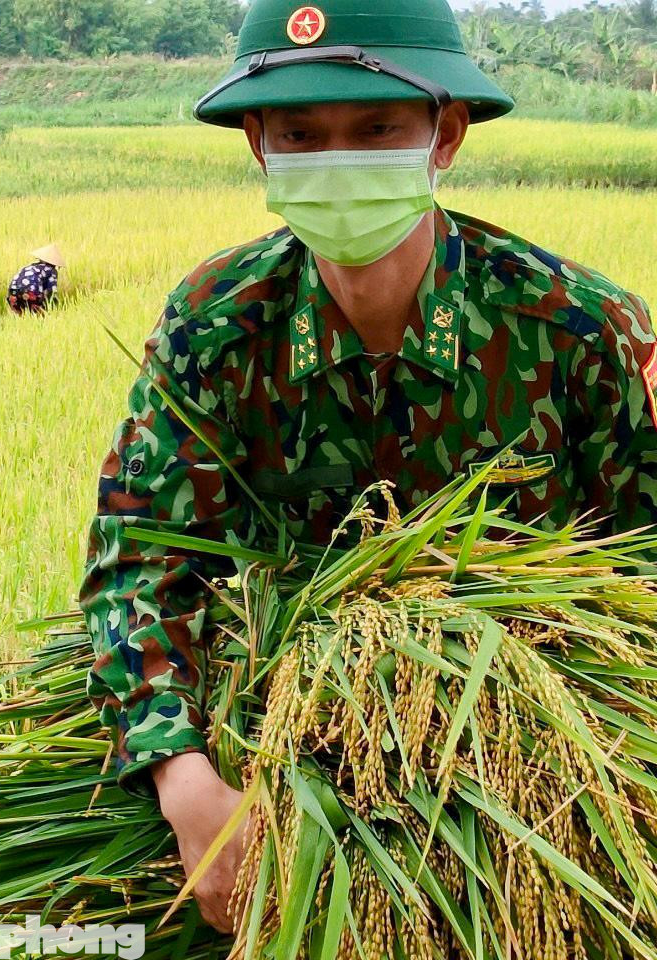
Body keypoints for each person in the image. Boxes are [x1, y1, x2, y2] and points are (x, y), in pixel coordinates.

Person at [78, 0, 656, 934]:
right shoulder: (216, 325)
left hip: (529, 765)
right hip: (270, 733)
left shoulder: (578, 331)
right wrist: (185, 782)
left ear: (446, 132)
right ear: (258, 144)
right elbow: (137, 562)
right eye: (301, 132)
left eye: (376, 127)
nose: (337, 158)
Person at [7, 244, 64, 314]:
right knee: (41, 316)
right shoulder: (51, 270)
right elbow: (51, 293)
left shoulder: (29, 267)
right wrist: (56, 309)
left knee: (22, 317)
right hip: (30, 293)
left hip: (12, 293)